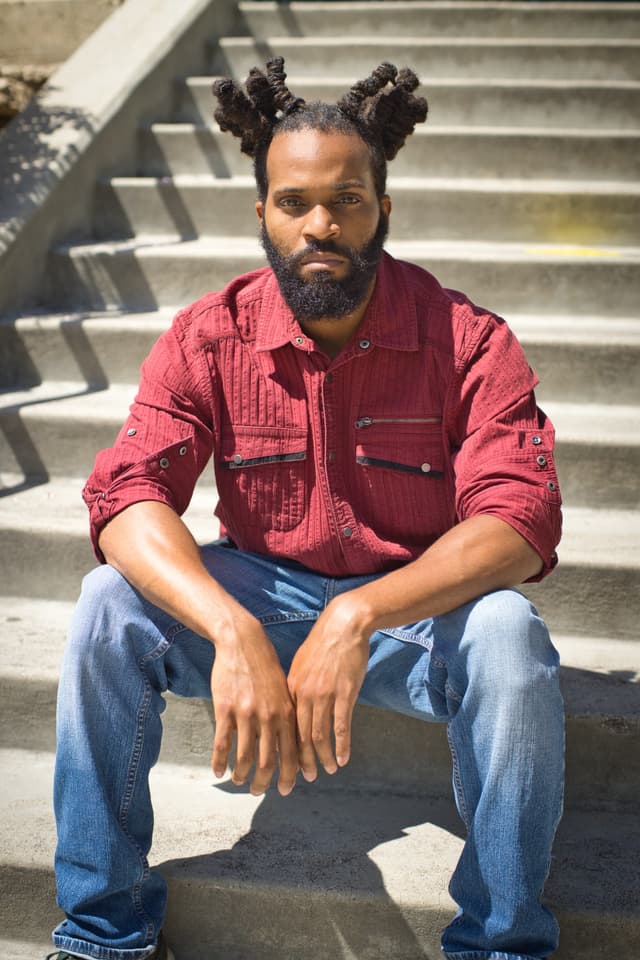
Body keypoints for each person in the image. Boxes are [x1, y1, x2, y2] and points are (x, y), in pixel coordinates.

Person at [48, 58, 565, 960]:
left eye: (346, 200)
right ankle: (102, 930)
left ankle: (500, 944)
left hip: (410, 612)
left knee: (510, 634)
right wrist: (232, 628)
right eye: (294, 202)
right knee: (106, 606)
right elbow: (128, 495)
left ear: (382, 208)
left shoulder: (466, 340)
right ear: (262, 214)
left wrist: (360, 613)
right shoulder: (210, 335)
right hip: (260, 593)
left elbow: (521, 519)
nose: (321, 224)